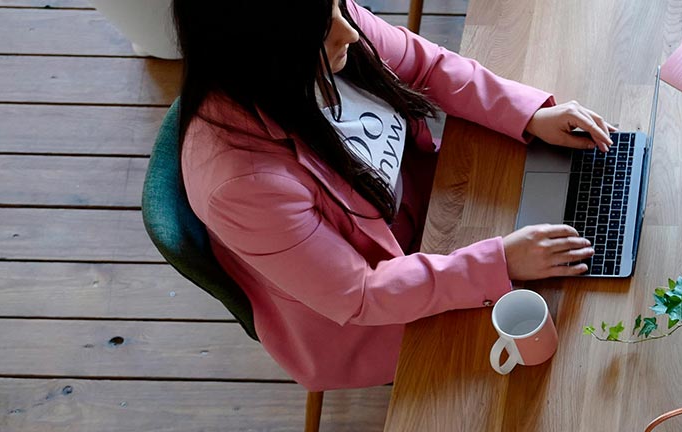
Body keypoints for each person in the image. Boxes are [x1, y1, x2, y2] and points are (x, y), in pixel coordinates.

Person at [175, 0, 615, 390]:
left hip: (434, 214)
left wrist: (530, 113)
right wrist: (499, 262)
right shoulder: (241, 184)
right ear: (265, 52)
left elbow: (426, 68)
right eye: (324, 26)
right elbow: (360, 293)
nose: (349, 29)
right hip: (371, 314)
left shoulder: (324, 21)